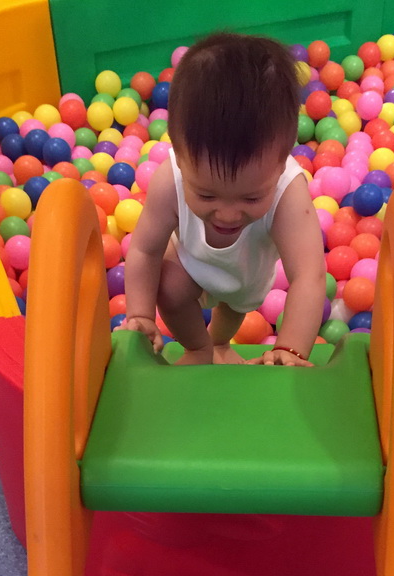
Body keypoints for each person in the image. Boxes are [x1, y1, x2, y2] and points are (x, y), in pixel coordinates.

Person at [122, 32, 327, 366]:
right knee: (170, 288)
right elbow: (145, 250)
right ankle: (198, 348)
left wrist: (289, 349)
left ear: (281, 163)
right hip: (190, 261)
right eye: (206, 194)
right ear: (179, 153)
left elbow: (309, 276)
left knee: (233, 309)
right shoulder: (169, 179)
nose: (228, 214)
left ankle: (219, 342)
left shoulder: (289, 193)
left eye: (251, 197)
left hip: (246, 277)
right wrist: (141, 314)